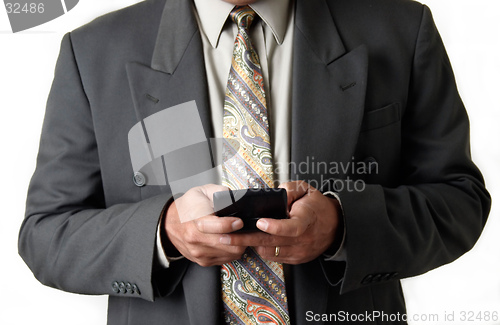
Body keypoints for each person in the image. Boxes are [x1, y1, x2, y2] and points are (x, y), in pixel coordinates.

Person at [19, 0, 491, 324]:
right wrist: (164, 233)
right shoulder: (94, 52)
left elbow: (459, 201)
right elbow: (46, 235)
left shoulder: (402, 31)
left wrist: (343, 225)